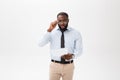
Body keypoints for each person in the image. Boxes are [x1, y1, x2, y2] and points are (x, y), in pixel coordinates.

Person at [39, 12, 83, 80]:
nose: (62, 23)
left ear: (68, 20)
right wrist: (49, 30)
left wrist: (72, 56)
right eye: (60, 21)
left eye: (64, 20)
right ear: (57, 21)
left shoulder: (76, 33)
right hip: (54, 65)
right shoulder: (52, 32)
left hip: (69, 66)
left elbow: (79, 50)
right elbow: (40, 44)